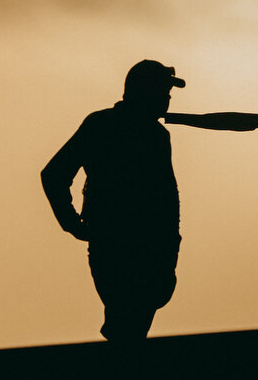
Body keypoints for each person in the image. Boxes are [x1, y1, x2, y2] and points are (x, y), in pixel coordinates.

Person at [41, 60, 188, 341]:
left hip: (150, 251)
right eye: (162, 91)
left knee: (131, 324)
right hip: (117, 247)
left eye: (168, 92)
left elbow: (168, 197)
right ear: (144, 92)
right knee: (127, 323)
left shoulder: (156, 135)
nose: (167, 99)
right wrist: (72, 224)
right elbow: (54, 174)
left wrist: (171, 246)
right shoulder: (103, 126)